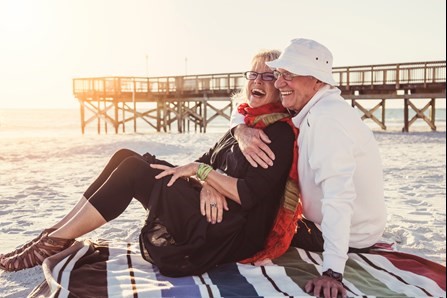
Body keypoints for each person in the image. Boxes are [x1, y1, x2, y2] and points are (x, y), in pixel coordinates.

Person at [0, 49, 300, 278]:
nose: (257, 81)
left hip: (229, 232)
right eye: (253, 74)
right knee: (127, 156)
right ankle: (55, 233)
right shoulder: (244, 124)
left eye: (268, 76)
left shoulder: (277, 134)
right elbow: (205, 159)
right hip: (215, 208)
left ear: (280, 85)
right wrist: (207, 180)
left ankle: (54, 240)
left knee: (134, 171)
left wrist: (205, 175)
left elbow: (248, 194)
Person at [230, 38, 387, 298]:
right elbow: (244, 108)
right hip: (341, 225)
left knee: (252, 226)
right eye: (279, 75)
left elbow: (339, 197)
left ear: (316, 80)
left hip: (347, 235)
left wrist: (333, 272)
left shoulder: (326, 120)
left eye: (288, 75)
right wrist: (240, 129)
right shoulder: (314, 106)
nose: (279, 83)